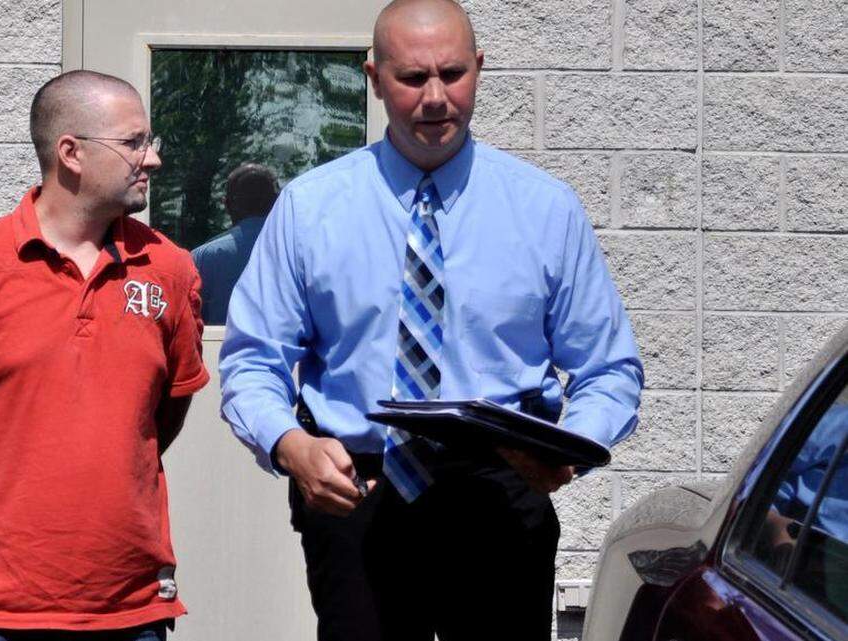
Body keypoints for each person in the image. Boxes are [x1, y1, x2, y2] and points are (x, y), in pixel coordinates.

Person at [218, 1, 644, 639]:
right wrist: (290, 445)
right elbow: (254, 358)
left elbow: (607, 367)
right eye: (413, 78)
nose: (437, 98)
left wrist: (567, 449)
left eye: (453, 73)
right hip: (358, 493)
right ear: (374, 77)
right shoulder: (310, 209)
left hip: (501, 494)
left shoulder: (545, 210)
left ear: (479, 67)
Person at [0, 70, 209, 641]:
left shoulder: (170, 270)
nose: (152, 159)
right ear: (71, 152)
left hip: (126, 610)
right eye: (134, 142)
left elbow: (161, 414)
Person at [190, 163, 280, 325]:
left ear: (228, 205)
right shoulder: (302, 252)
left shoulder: (202, 258)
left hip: (219, 349)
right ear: (276, 202)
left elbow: (190, 326)